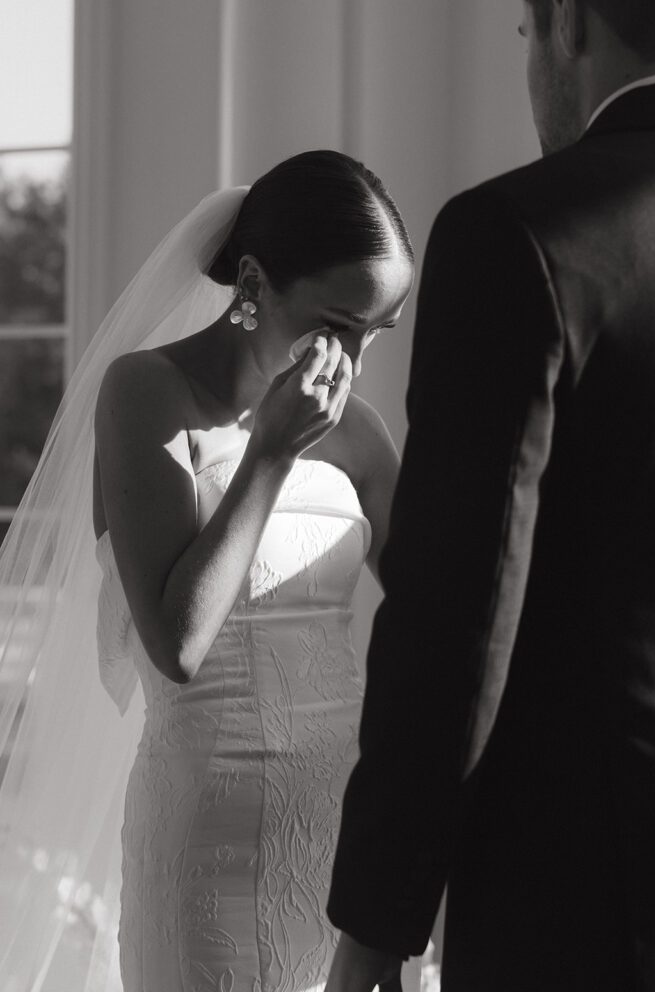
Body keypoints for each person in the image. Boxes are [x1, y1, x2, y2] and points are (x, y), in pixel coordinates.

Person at [325, 0, 655, 990]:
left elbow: (457, 612)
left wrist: (374, 927)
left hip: (582, 902)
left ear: (564, 16)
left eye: (526, 29)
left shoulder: (519, 234)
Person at [0, 150, 416, 992]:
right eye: (336, 323)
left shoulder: (361, 433)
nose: (351, 362)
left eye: (375, 333)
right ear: (253, 282)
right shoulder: (145, 393)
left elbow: (443, 618)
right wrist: (268, 451)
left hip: (341, 834)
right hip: (207, 844)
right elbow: (176, 642)